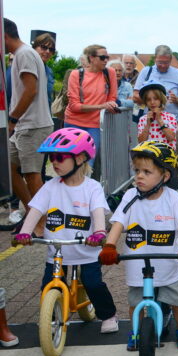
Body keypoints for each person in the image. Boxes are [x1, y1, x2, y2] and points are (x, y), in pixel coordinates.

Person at [14, 128, 118, 333]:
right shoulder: (50, 186)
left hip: (87, 250)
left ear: (79, 158)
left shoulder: (92, 187)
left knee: (93, 283)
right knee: (49, 285)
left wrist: (99, 232)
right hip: (57, 252)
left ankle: (108, 315)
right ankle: (52, 320)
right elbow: (35, 210)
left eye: (60, 157)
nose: (54, 162)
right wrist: (25, 232)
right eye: (52, 158)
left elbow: (97, 211)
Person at [99, 141, 178, 350]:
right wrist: (109, 246)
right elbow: (118, 223)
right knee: (135, 302)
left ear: (165, 176)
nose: (139, 176)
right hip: (137, 264)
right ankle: (135, 331)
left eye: (146, 172)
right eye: (137, 171)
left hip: (168, 263)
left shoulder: (172, 197)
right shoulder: (130, 196)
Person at [4, 18, 54, 237]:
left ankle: (42, 224)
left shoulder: (24, 54)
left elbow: (30, 90)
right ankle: (33, 214)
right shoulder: (22, 54)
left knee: (32, 175)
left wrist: (12, 119)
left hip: (32, 125)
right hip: (25, 125)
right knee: (8, 169)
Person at [64, 44, 118, 169]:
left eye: (107, 57)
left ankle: (85, 182)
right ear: (91, 58)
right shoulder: (76, 74)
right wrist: (101, 106)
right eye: (102, 57)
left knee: (88, 163)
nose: (106, 60)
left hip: (95, 125)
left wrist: (111, 105)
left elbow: (112, 97)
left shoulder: (110, 73)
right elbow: (74, 106)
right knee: (71, 162)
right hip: (73, 123)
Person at [133, 45, 178, 149]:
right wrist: (151, 99)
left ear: (171, 59)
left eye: (166, 62)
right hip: (149, 120)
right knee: (147, 151)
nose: (163, 66)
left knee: (171, 152)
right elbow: (135, 95)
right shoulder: (146, 71)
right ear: (155, 58)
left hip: (171, 121)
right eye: (160, 62)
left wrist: (177, 100)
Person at [137, 81, 177, 149]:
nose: (152, 102)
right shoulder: (143, 119)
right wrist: (148, 124)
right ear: (146, 102)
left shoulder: (170, 117)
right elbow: (141, 141)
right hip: (149, 153)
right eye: (148, 100)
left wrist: (160, 120)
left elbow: (171, 138)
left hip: (166, 153)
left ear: (161, 100)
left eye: (155, 99)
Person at [31, 32, 55, 106]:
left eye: (51, 49)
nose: (48, 51)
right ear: (34, 48)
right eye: (44, 47)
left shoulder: (49, 72)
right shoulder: (26, 67)